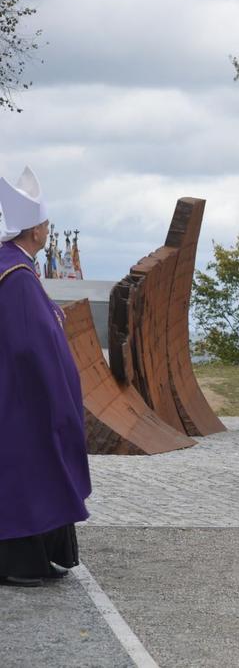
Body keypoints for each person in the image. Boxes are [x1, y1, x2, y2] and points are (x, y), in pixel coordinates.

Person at [0, 167, 91, 587]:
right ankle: (19, 563)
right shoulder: (16, 277)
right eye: (46, 222)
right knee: (27, 473)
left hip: (17, 393)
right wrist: (57, 395)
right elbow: (32, 346)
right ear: (36, 230)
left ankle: (39, 555)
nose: (48, 227)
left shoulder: (15, 267)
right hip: (22, 398)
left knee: (29, 472)